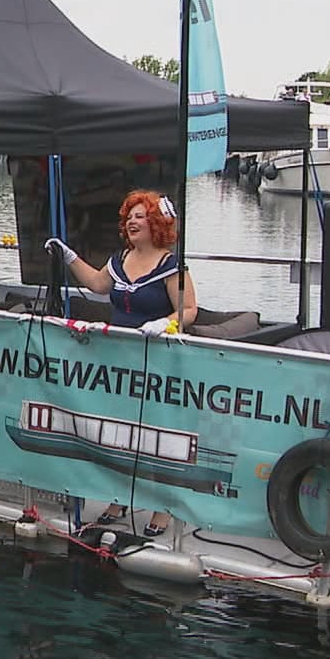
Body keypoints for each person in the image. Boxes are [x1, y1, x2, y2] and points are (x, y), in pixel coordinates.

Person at [44, 189, 199, 539]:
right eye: (130, 216)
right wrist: (68, 257)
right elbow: (99, 284)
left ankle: (163, 505)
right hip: (118, 361)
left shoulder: (170, 264)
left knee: (156, 435)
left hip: (157, 360)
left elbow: (189, 308)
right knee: (118, 431)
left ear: (157, 223)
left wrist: (167, 323)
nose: (132, 221)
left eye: (140, 216)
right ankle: (119, 498)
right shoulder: (121, 259)